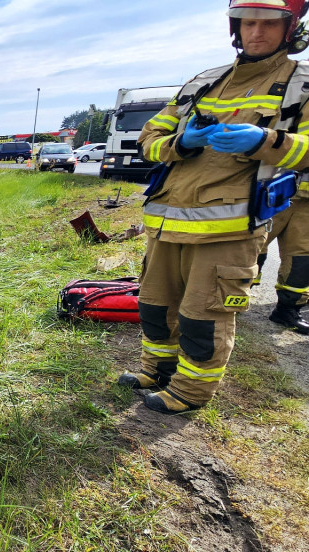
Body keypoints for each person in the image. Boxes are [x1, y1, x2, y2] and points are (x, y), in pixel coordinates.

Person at [118, 0, 309, 414]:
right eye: (248, 23)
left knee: (204, 317)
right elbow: (149, 139)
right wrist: (180, 144)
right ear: (235, 29)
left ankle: (189, 392)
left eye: (269, 24)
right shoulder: (203, 81)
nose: (257, 32)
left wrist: (265, 142)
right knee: (154, 306)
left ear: (290, 28)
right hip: (167, 220)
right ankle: (157, 369)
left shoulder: (302, 85)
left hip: (231, 228)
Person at [254, 197, 309, 334]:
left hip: (306, 202)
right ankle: (231, 297)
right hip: (276, 191)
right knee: (253, 244)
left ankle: (287, 310)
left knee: (301, 256)